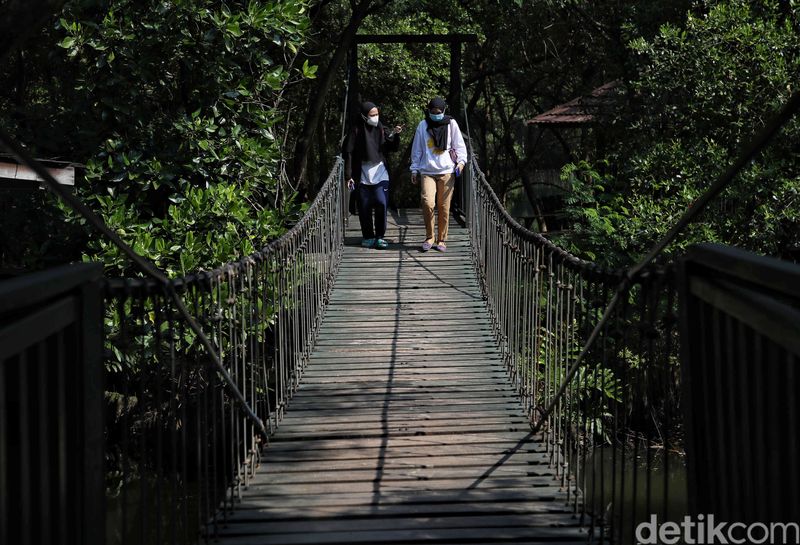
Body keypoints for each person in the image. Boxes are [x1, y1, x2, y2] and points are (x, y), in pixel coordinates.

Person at [410, 96, 467, 252]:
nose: (436, 114)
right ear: (428, 111)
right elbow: (417, 149)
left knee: (444, 206)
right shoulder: (423, 126)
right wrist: (414, 169)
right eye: (433, 112)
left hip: (447, 171)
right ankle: (430, 236)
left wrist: (461, 163)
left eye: (439, 112)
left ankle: (441, 239)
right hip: (427, 171)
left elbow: (460, 146)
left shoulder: (451, 124)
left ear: (443, 111)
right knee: (428, 202)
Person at [343, 101, 403, 249]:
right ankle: (368, 236)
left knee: (381, 203)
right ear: (364, 116)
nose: (375, 117)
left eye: (377, 114)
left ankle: (380, 236)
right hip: (362, 174)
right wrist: (348, 175)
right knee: (364, 207)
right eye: (372, 115)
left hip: (380, 173)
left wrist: (396, 134)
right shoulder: (356, 130)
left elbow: (392, 147)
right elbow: (348, 152)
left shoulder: (381, 127)